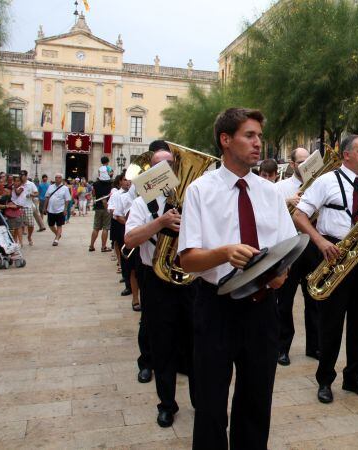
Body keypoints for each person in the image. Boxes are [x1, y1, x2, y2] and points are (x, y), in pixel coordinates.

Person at [178, 108, 296, 448]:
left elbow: (286, 251)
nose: (258, 143)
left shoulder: (270, 192)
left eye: (259, 135)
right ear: (225, 140)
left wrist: (280, 276)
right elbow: (188, 260)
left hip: (261, 310)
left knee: (257, 402)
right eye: (249, 135)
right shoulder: (201, 190)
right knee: (211, 404)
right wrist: (224, 253)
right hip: (216, 308)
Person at [293, 134, 358, 404]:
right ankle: (325, 380)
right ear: (346, 154)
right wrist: (319, 241)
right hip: (333, 252)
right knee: (331, 322)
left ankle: (354, 377)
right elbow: (299, 215)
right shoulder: (325, 181)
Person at [126, 148, 196, 429]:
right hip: (156, 280)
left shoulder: (194, 196)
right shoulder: (142, 202)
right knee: (162, 346)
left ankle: (201, 402)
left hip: (190, 280)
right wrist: (161, 222)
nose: (165, 170)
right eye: (158, 166)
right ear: (151, 172)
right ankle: (167, 404)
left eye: (170, 164)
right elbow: (130, 239)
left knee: (195, 345)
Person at [274, 147, 321, 366]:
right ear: (292, 164)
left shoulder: (319, 184)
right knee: (284, 301)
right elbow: (270, 218)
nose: (305, 165)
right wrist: (287, 203)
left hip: (312, 247)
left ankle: (314, 346)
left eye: (308, 161)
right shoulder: (280, 188)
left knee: (314, 298)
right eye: (301, 161)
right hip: (290, 246)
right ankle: (282, 347)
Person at [114, 176, 140, 309]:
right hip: (132, 234)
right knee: (133, 270)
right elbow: (118, 215)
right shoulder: (123, 197)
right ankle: (135, 298)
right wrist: (132, 226)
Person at [43, 173, 72, 246]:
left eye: (59, 177)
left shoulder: (65, 188)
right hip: (51, 209)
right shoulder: (50, 187)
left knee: (59, 225)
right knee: (50, 225)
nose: (57, 179)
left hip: (60, 209)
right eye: (56, 177)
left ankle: (56, 239)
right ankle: (57, 234)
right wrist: (44, 207)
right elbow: (47, 197)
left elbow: (67, 199)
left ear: (61, 179)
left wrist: (65, 209)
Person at [15, 170, 38, 246]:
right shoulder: (18, 184)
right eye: (20, 175)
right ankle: (20, 242)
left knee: (30, 224)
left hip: (28, 206)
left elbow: (36, 193)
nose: (21, 177)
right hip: (19, 206)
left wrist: (31, 194)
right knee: (19, 225)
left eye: (23, 175)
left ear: (26, 176)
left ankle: (29, 236)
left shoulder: (30, 184)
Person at [90, 176, 112, 252]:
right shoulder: (110, 184)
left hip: (98, 207)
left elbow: (93, 194)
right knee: (105, 228)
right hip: (107, 206)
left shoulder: (95, 184)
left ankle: (91, 245)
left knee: (96, 228)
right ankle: (103, 247)